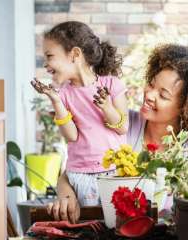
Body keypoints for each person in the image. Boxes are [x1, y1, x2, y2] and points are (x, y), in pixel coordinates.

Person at [46, 43, 188, 223]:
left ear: (186, 107)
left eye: (163, 95)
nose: (149, 95)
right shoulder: (118, 124)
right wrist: (67, 197)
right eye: (151, 84)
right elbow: (73, 172)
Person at [31, 21, 129, 217]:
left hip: (113, 173)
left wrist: (107, 107)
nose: (45, 64)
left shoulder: (112, 84)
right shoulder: (64, 94)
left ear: (75, 54)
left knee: (114, 225)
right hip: (79, 176)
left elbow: (122, 127)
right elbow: (72, 136)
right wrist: (56, 102)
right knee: (88, 226)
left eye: (50, 56)